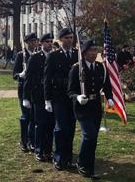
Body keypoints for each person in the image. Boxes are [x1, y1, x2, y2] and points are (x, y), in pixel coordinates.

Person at [68, 39, 114, 180]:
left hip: (95, 107)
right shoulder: (77, 68)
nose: (94, 53)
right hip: (82, 107)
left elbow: (106, 85)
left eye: (96, 50)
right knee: (89, 135)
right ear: (84, 53)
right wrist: (77, 97)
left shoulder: (101, 67)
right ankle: (83, 164)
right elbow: (70, 91)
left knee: (93, 138)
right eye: (91, 51)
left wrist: (110, 97)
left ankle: (88, 165)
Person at [44, 28, 78, 170]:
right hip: (59, 97)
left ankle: (68, 157)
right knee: (60, 128)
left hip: (73, 98)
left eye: (71, 38)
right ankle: (58, 157)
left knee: (70, 128)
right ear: (60, 39)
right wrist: (47, 99)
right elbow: (47, 78)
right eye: (66, 38)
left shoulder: (77, 55)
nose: (69, 40)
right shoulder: (53, 56)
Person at [23, 33, 55, 162]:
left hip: (52, 95)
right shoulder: (35, 57)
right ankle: (39, 150)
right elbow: (28, 78)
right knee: (40, 123)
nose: (50, 43)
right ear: (41, 43)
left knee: (51, 124)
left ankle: (48, 150)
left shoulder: (54, 56)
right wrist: (26, 97)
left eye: (51, 41)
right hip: (38, 95)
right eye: (47, 41)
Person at [13, 32, 38, 152]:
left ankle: (31, 141)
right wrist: (20, 75)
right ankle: (23, 141)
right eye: (32, 41)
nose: (34, 43)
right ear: (27, 42)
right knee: (25, 117)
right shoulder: (20, 55)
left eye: (35, 41)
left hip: (35, 90)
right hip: (23, 90)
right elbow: (14, 74)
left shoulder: (38, 55)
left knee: (34, 117)